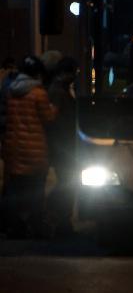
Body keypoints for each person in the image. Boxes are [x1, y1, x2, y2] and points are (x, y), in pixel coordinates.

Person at [2, 56, 57, 238]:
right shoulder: (39, 93)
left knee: (16, 189)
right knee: (35, 190)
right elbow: (48, 118)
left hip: (14, 147)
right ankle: (36, 226)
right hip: (34, 149)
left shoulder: (10, 90)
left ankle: (14, 226)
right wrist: (55, 108)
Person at [44, 56, 78, 237]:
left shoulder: (60, 89)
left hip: (64, 144)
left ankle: (60, 219)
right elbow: (53, 116)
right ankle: (59, 219)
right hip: (62, 145)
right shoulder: (58, 91)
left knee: (67, 182)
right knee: (67, 183)